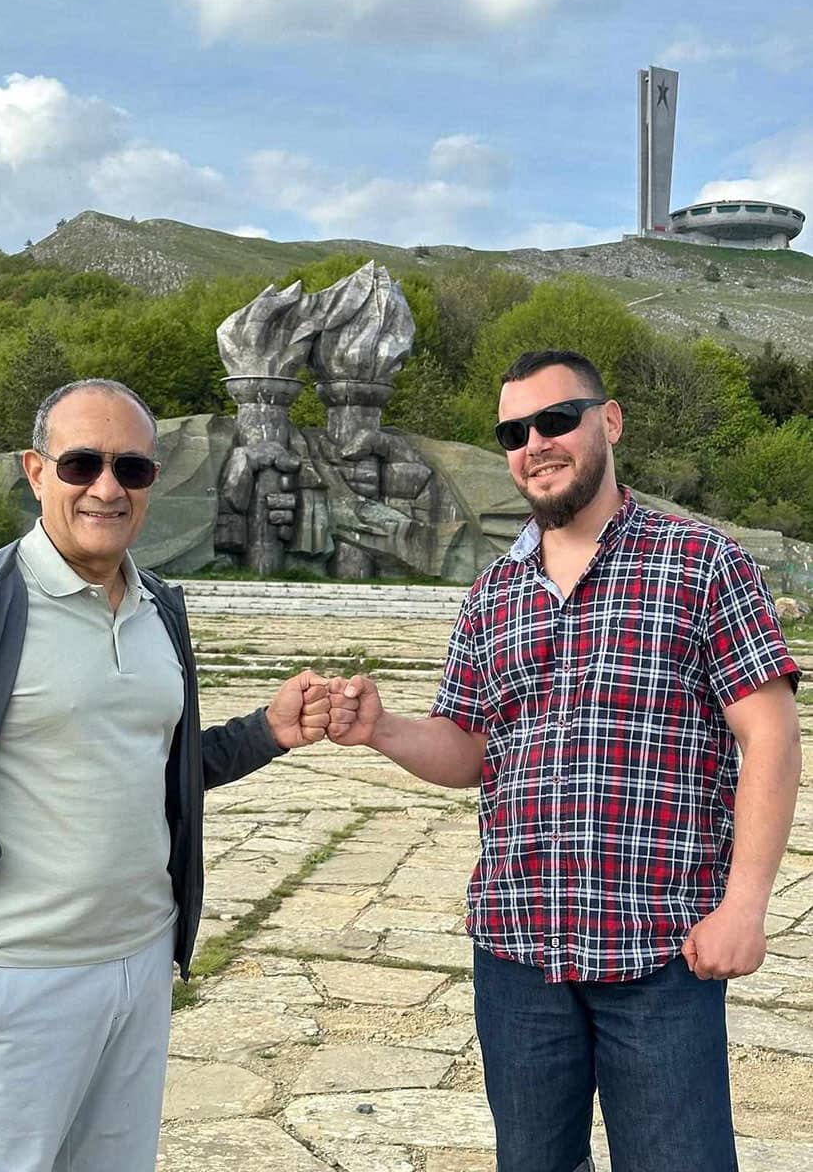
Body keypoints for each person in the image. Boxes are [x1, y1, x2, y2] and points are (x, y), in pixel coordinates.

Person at [324, 349, 802, 1172]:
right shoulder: (491, 594)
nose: (534, 443)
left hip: (661, 952)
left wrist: (745, 907)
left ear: (608, 422)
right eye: (514, 431)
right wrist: (383, 729)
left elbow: (772, 735)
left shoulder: (700, 564)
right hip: (517, 958)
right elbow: (469, 746)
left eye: (556, 420)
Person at [0, 378, 329, 1172]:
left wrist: (267, 731)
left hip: (139, 968)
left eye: (132, 470)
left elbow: (157, 767)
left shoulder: (159, 607)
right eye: (81, 464)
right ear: (35, 471)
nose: (107, 488)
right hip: (12, 980)